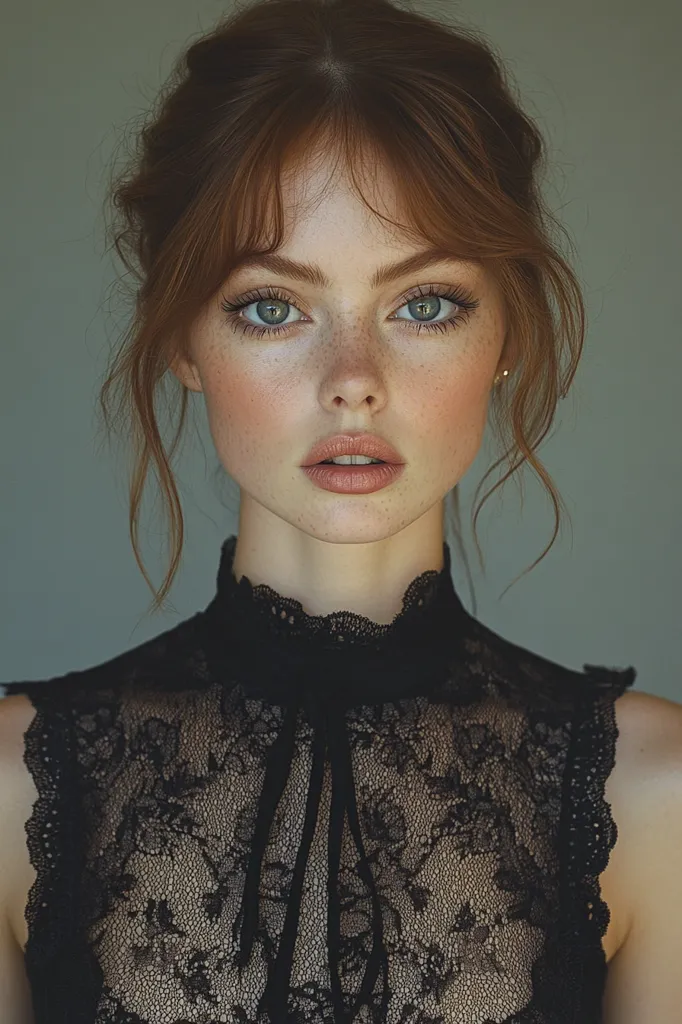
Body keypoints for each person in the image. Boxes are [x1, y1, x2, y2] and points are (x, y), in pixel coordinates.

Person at [1, 0, 680, 1021]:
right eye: (273, 306)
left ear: (507, 335)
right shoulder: (15, 796)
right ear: (185, 339)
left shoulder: (652, 802)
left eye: (424, 303)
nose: (353, 380)